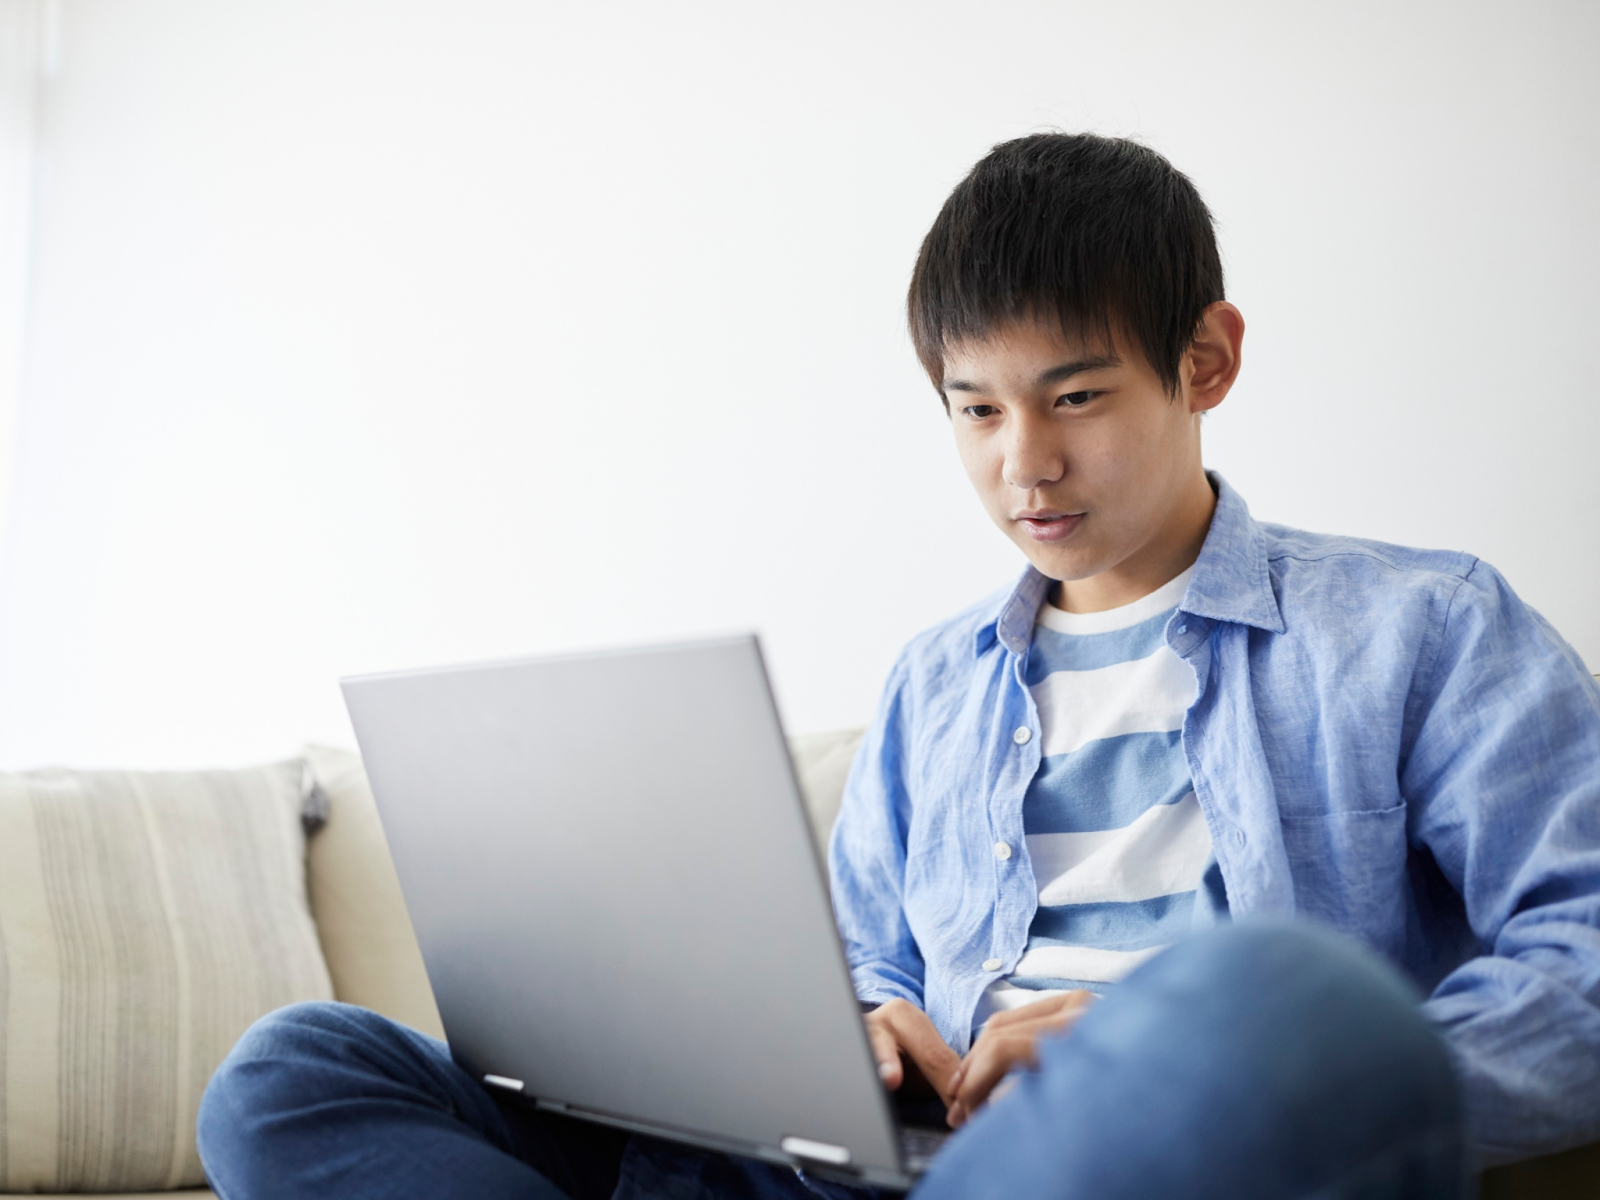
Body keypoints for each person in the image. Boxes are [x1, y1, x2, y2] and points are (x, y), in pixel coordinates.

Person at [197, 133, 1600, 1199]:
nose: (1022, 463)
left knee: (1294, 1006)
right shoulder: (939, 685)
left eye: (1078, 398)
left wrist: (1144, 1035)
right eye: (974, 408)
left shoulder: (1422, 629)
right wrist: (866, 1030)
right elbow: (870, 960)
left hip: (1134, 1153)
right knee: (294, 1070)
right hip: (874, 1172)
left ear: (1208, 360)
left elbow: (1586, 967)